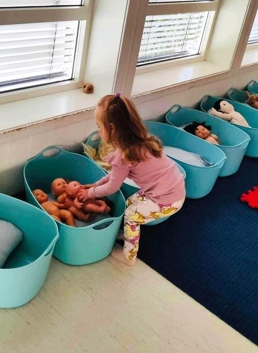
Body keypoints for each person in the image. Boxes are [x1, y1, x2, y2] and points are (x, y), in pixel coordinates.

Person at [77, 93, 186, 266]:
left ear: (111, 128)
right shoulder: (141, 142)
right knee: (131, 202)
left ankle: (128, 256)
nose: (98, 131)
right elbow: (114, 176)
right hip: (173, 188)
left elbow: (112, 187)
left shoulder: (123, 155)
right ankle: (128, 232)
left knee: (131, 216)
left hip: (167, 199)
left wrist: (90, 193)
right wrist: (96, 185)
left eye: (99, 126)